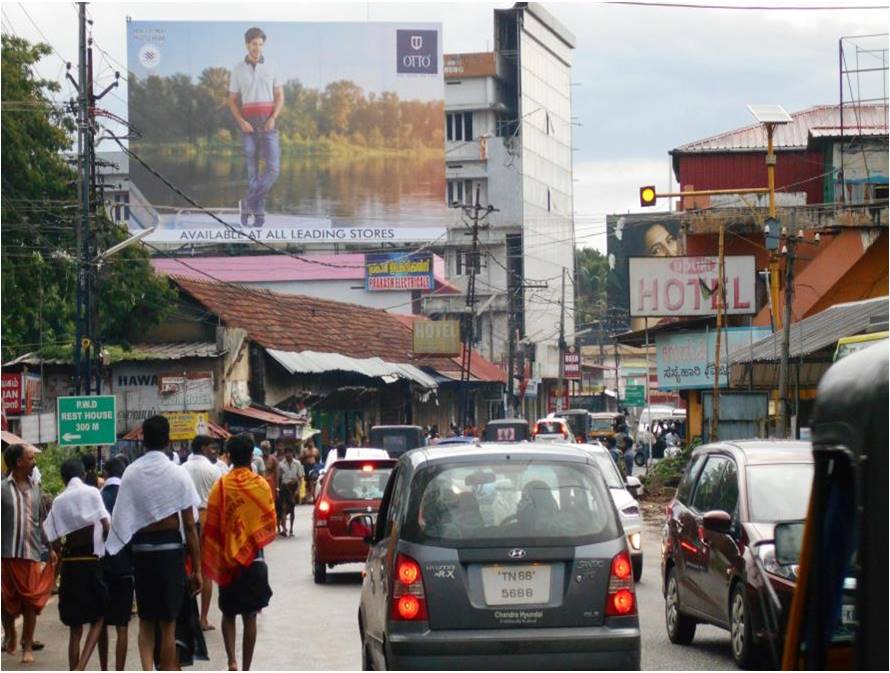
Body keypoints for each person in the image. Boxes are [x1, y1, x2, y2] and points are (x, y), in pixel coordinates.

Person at [105, 415, 202, 672]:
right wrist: (198, 569)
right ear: (168, 440)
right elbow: (190, 526)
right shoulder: (177, 473)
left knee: (146, 623)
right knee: (168, 627)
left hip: (142, 552)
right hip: (171, 553)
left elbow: (121, 520)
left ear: (142, 440)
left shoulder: (132, 473)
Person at [202, 433, 276, 672]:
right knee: (250, 615)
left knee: (228, 613)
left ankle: (231, 660)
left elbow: (211, 525)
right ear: (251, 455)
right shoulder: (261, 485)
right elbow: (269, 521)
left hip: (227, 561)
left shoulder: (221, 486)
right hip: (253, 560)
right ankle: (246, 667)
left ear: (230, 456)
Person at [43, 458, 110, 671]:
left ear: (63, 479)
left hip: (70, 563)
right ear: (82, 475)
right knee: (99, 616)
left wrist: (59, 555)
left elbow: (53, 539)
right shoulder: (92, 493)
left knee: (75, 627)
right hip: (90, 561)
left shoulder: (59, 501)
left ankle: (74, 669)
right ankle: (81, 667)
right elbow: (106, 524)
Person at [1, 444, 56, 664]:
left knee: (30, 603)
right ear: (18, 463)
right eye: (30, 458)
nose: (34, 462)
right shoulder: (2, 489)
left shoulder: (36, 489)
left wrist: (51, 548)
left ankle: (27, 645)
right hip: (7, 554)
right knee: (5, 601)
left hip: (31, 554)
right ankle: (11, 633)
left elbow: (41, 522)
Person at [227, 26, 283, 229]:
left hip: (268, 124)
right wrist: (241, 121)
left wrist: (273, 117)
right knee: (253, 176)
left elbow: (280, 96)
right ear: (247, 44)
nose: (257, 48)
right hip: (248, 126)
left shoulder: (273, 66)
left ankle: (248, 204)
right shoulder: (237, 69)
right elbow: (232, 100)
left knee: (273, 169)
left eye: (260, 44)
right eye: (253, 44)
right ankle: (259, 219)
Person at [97, 456, 134, 672]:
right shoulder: (128, 497)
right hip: (125, 568)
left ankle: (104, 668)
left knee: (100, 624)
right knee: (122, 626)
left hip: (102, 567)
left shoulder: (98, 496)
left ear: (106, 475)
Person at [183, 435, 222, 632]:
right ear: (203, 448)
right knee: (206, 570)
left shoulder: (181, 469)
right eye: (211, 447)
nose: (213, 451)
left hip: (186, 518)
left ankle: (186, 616)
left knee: (186, 568)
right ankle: (203, 618)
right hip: (207, 518)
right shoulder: (213, 470)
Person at [278, 447, 303, 537]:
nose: (288, 455)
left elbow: (300, 478)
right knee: (284, 508)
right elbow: (279, 478)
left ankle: (291, 529)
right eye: (286, 453)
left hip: (293, 487)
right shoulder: (281, 464)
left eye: (290, 453)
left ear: (292, 454)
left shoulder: (297, 463)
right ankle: (284, 528)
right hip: (285, 487)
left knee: (292, 509)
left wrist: (298, 490)